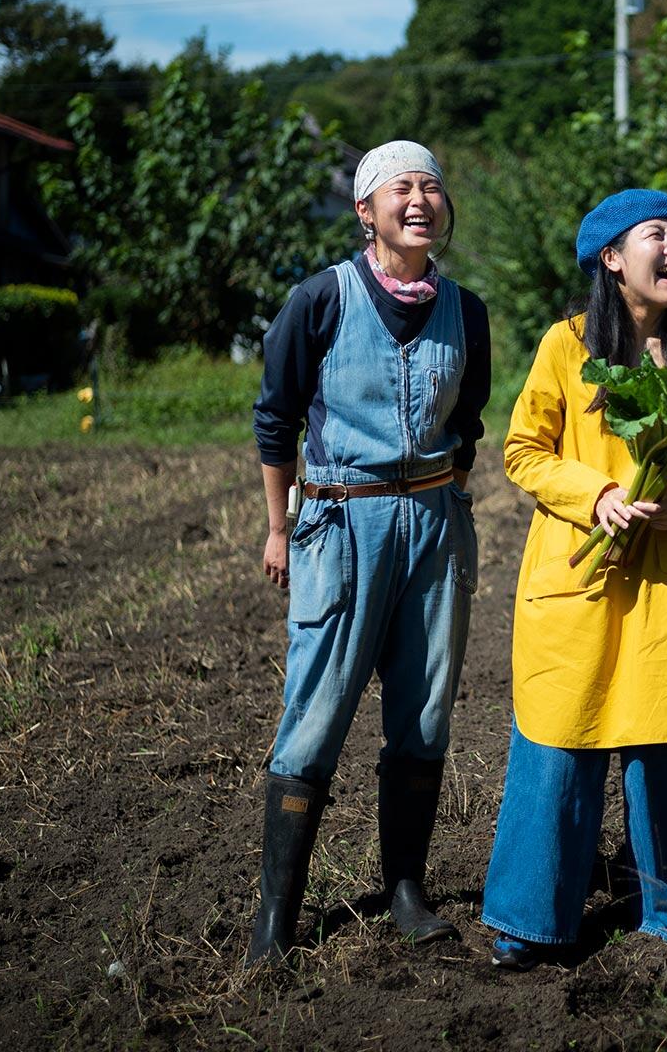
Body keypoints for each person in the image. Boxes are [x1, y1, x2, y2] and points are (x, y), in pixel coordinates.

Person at [480, 189, 667, 970]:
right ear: (610, 258)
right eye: (655, 236)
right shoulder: (566, 344)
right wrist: (594, 495)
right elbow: (524, 450)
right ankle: (531, 919)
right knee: (558, 742)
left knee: (666, 743)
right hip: (578, 576)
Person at [247, 140, 490, 962]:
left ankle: (406, 891)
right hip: (342, 527)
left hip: (433, 523)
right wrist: (280, 527)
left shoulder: (468, 311)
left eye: (432, 186)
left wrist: (442, 496)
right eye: (401, 188)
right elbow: (276, 418)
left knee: (423, 712)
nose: (420, 199)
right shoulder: (319, 300)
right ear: (366, 210)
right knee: (314, 715)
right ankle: (277, 919)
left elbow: (470, 421)